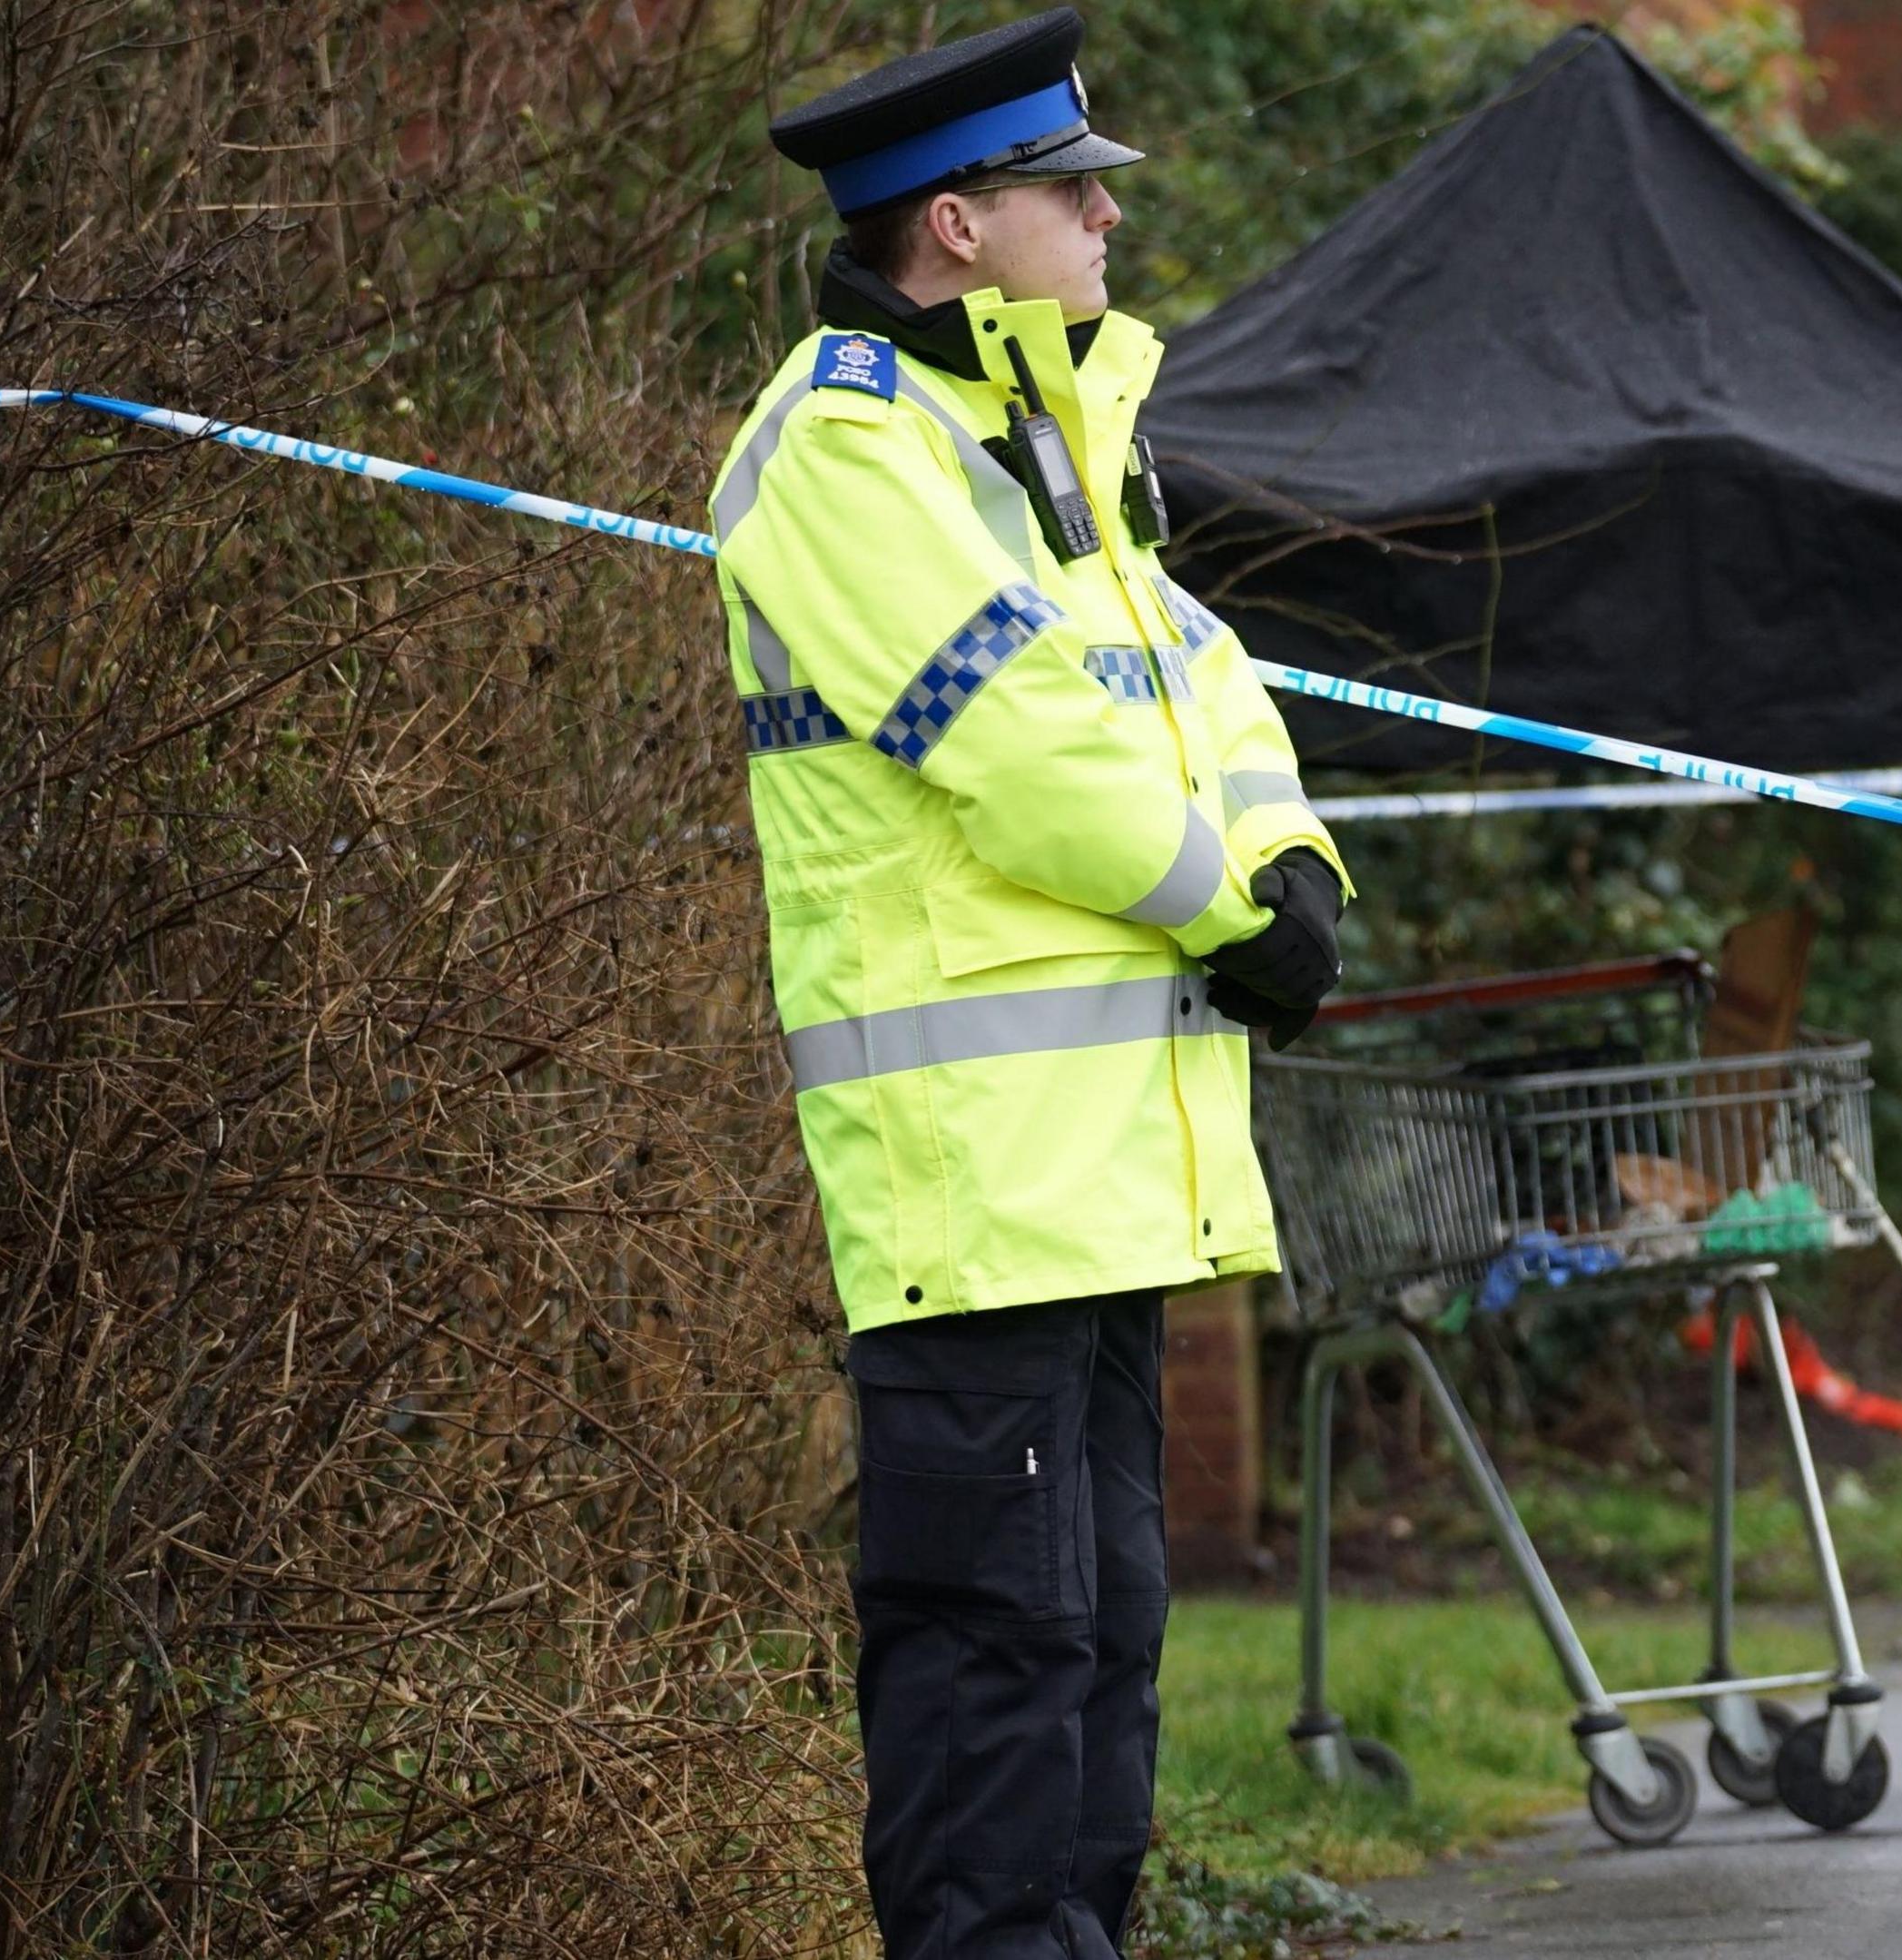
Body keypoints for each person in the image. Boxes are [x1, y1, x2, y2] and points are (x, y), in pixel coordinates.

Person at [709, 10, 1352, 1953]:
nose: (1101, 214)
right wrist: (1227, 913)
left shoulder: (1051, 437)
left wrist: (1296, 861)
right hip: (973, 1185)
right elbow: (1014, 737)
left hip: (1101, 1175)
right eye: (1071, 190)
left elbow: (1198, 682)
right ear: (959, 229)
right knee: (994, 1662)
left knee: (1103, 1653)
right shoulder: (839, 445)